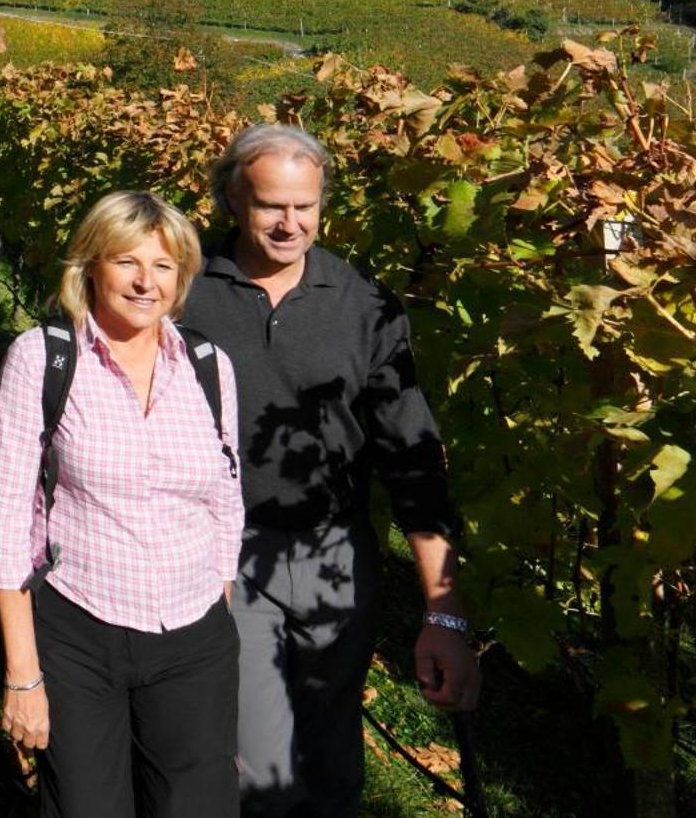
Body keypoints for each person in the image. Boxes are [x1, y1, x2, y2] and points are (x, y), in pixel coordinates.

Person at [180, 124, 480, 817]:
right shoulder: (185, 289)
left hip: (335, 554)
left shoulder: (364, 305)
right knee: (259, 766)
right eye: (270, 206)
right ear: (231, 198)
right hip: (224, 554)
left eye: (305, 206)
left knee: (333, 760)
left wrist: (446, 611)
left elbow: (411, 459)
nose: (290, 223)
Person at [0, 190, 246, 818]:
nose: (146, 282)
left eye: (164, 266)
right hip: (79, 632)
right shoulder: (44, 358)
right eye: (127, 261)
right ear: (91, 266)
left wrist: (218, 610)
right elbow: (3, 520)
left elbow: (227, 500)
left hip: (194, 635)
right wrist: (23, 674)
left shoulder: (209, 366)